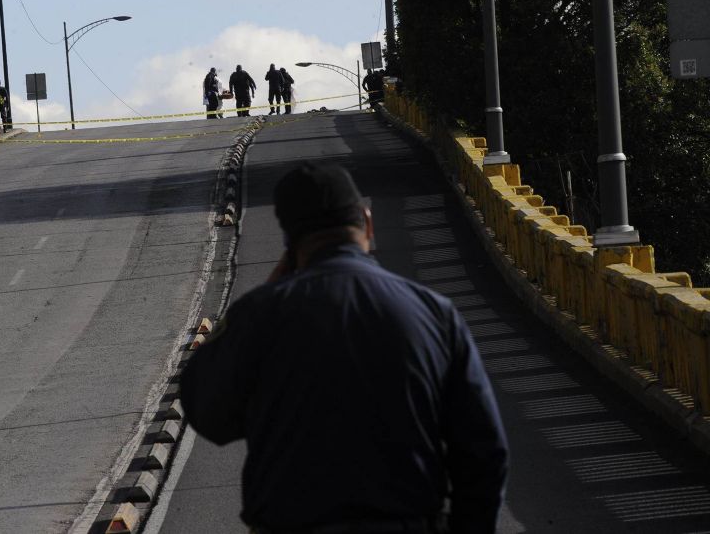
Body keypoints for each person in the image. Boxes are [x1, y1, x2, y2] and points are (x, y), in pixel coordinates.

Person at [182, 162, 509, 534]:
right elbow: (484, 451)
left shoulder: (258, 316)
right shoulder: (435, 313)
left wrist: (262, 297)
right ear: (367, 222)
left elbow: (205, 411)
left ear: (289, 244)